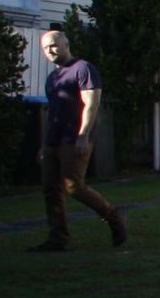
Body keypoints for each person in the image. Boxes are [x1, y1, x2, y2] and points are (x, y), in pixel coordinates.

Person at [36, 26, 127, 250]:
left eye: (54, 45)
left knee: (74, 187)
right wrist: (44, 143)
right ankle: (57, 238)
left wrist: (82, 135)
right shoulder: (53, 77)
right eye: (46, 48)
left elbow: (91, 103)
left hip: (73, 138)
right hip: (53, 141)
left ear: (66, 44)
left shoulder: (83, 69)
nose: (50, 50)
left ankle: (114, 218)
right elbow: (54, 111)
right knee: (50, 189)